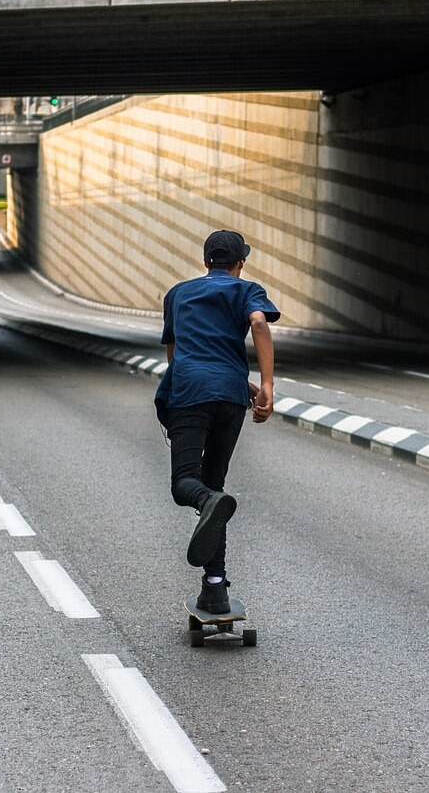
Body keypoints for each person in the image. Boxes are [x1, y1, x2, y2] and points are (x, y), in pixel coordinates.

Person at [155, 230, 279, 614]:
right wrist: (267, 386)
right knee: (215, 485)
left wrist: (194, 378)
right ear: (240, 262)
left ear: (205, 260)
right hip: (229, 396)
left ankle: (209, 501)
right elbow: (258, 323)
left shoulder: (178, 293)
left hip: (189, 391)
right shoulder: (246, 290)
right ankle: (214, 587)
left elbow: (175, 350)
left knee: (185, 485)